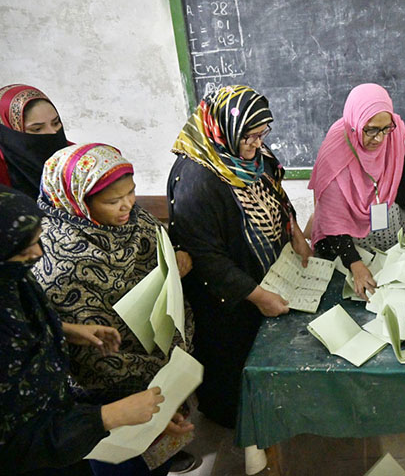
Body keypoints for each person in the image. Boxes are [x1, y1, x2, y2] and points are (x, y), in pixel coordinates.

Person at [33, 143, 196, 474]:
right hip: (107, 398)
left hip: (161, 363)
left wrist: (179, 258)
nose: (127, 205)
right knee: (123, 462)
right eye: (112, 201)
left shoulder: (139, 221)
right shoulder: (60, 261)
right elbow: (92, 357)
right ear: (78, 201)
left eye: (132, 192)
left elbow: (161, 256)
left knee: (158, 456)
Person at [167, 85, 312, 428]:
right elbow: (207, 258)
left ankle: (273, 407)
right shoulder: (197, 180)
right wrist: (258, 296)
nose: (257, 144)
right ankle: (241, 423)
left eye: (262, 134)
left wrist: (295, 232)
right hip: (227, 296)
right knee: (233, 362)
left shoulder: (250, 151)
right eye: (249, 136)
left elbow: (277, 192)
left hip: (268, 272)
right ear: (224, 129)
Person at [0, 185, 167, 476]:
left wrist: (62, 330)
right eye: (25, 250)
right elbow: (14, 445)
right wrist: (108, 416)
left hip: (60, 423)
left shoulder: (13, 280)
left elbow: (25, 319)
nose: (38, 254)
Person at [308, 83, 405, 300]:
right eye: (370, 130)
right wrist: (354, 264)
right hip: (353, 243)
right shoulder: (335, 153)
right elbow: (332, 219)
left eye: (385, 129)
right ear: (355, 124)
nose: (379, 138)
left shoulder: (396, 134)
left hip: (392, 233)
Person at [0, 84, 70, 198]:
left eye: (56, 123)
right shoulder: (3, 169)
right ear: (10, 133)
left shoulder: (78, 157)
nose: (53, 132)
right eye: (37, 129)